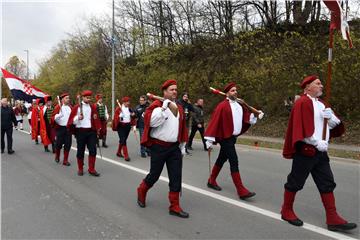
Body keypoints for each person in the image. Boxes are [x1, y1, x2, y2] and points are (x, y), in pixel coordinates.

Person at [281, 75, 357, 231]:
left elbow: (333, 124)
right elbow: (301, 129)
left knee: (327, 182)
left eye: (322, 83)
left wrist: (332, 119)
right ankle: (286, 210)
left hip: (321, 153)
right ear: (307, 87)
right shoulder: (302, 103)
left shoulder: (322, 104)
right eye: (318, 83)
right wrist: (316, 142)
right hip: (306, 151)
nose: (321, 86)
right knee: (295, 181)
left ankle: (332, 218)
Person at [136, 79, 189, 218]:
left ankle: (175, 206)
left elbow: (182, 127)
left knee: (176, 176)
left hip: (174, 148)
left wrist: (182, 146)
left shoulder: (179, 107)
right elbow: (151, 122)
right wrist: (164, 108)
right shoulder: (157, 105)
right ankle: (141, 190)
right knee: (154, 175)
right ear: (164, 92)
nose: (175, 91)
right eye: (171, 89)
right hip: (158, 147)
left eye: (176, 89)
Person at [205, 82, 261, 200]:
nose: (235, 92)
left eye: (235, 90)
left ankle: (211, 180)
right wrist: (209, 140)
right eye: (232, 91)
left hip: (233, 138)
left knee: (222, 158)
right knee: (234, 161)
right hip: (225, 138)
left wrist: (252, 112)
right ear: (227, 93)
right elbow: (214, 121)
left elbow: (247, 117)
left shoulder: (239, 105)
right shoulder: (222, 106)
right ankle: (241, 190)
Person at [67, 90, 101, 177]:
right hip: (80, 131)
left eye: (89, 98)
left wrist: (97, 129)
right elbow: (71, 121)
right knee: (80, 151)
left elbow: (96, 119)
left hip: (91, 131)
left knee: (93, 150)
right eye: (87, 97)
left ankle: (91, 169)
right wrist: (78, 117)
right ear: (83, 98)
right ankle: (80, 168)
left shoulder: (92, 107)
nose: (88, 99)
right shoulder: (77, 107)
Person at [51, 93, 72, 166]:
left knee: (68, 144)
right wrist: (58, 116)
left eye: (68, 98)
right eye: (66, 98)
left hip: (68, 128)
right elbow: (53, 118)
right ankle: (57, 156)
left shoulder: (70, 107)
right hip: (60, 128)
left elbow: (72, 117)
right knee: (58, 144)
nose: (68, 99)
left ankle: (65, 160)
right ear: (62, 99)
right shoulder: (58, 107)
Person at [112, 96, 136, 161]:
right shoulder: (118, 109)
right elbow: (115, 118)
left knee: (123, 139)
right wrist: (119, 116)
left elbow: (133, 118)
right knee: (123, 140)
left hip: (128, 126)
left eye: (129, 102)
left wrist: (134, 125)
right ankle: (126, 156)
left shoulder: (129, 109)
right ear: (124, 102)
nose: (128, 103)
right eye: (127, 102)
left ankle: (118, 152)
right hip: (121, 126)